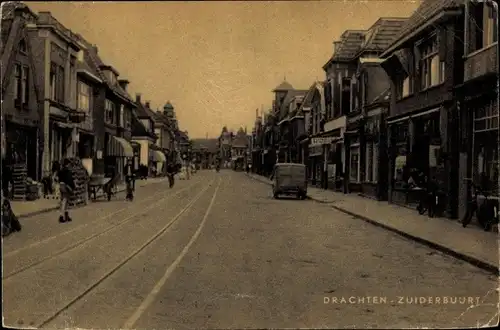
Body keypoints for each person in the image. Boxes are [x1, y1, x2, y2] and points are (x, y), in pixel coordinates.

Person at [57, 159, 76, 223]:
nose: (69, 165)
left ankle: (66, 216)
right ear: (67, 164)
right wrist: (73, 187)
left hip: (61, 186)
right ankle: (62, 216)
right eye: (69, 164)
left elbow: (58, 179)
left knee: (65, 201)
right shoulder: (68, 171)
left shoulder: (61, 171)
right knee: (65, 202)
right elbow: (69, 180)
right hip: (66, 187)